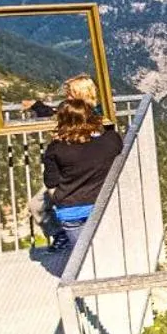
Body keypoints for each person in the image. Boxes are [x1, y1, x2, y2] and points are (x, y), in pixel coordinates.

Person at [40, 99, 122, 256]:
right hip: (103, 205)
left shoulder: (55, 150)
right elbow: (112, 133)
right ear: (91, 117)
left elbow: (51, 183)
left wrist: (60, 200)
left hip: (70, 210)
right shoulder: (110, 141)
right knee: (108, 254)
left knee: (83, 257)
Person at [22, 73, 99, 119]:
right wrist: (36, 105)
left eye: (70, 94)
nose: (67, 98)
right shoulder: (96, 112)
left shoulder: (75, 114)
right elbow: (54, 114)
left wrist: (36, 105)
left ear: (81, 94)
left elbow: (56, 117)